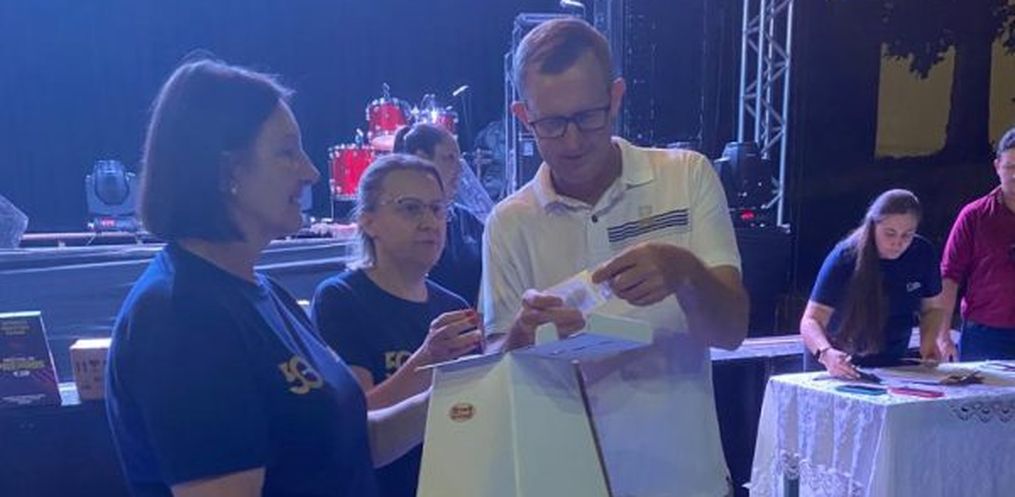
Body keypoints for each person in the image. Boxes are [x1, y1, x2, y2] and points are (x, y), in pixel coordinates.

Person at [105, 59, 427, 497]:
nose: (310, 172)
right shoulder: (182, 315)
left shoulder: (262, 290)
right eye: (287, 153)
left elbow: (347, 445)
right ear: (229, 172)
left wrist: (469, 393)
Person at [480, 18, 749, 496]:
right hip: (563, 483)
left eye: (588, 117)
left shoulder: (686, 176)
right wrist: (523, 335)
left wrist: (684, 272)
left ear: (617, 97)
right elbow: (495, 372)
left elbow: (730, 332)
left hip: (686, 482)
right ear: (523, 116)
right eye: (551, 124)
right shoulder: (509, 222)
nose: (572, 141)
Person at [311, 154, 482, 497]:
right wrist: (426, 359)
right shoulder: (340, 299)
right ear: (368, 221)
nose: (430, 223)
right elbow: (356, 420)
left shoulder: (452, 306)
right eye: (410, 208)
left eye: (437, 209)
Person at [799, 189, 947, 378]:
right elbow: (811, 320)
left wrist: (928, 343)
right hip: (839, 360)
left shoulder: (923, 253)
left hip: (893, 359)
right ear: (873, 226)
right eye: (890, 233)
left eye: (907, 235)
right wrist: (826, 353)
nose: (898, 242)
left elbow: (933, 308)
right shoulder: (845, 257)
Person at [938, 126, 1015, 360]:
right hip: (984, 333)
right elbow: (949, 276)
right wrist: (942, 335)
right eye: (1010, 167)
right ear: (997, 167)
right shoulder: (974, 216)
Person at [392, 123, 485, 306]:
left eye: (460, 160)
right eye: (449, 158)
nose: (459, 169)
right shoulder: (396, 221)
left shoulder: (467, 221)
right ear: (421, 159)